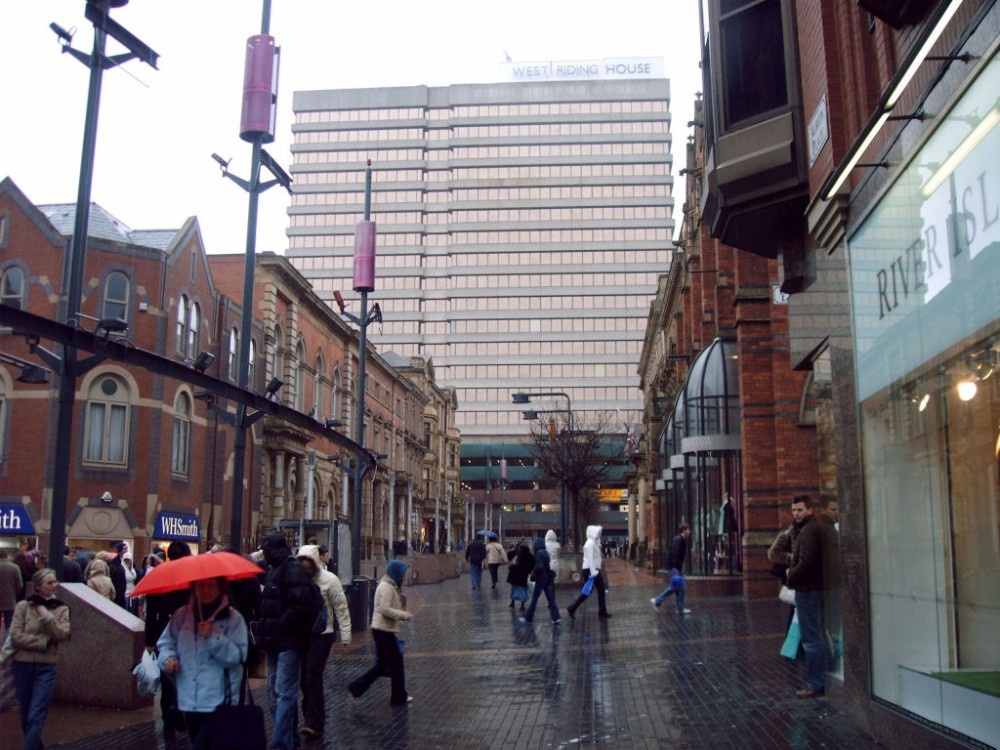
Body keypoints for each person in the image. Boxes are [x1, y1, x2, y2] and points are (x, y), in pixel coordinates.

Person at [156, 577, 248, 745]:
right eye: (201, 585)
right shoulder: (181, 616)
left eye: (211, 585)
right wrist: (168, 659)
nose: (205, 590)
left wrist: (213, 637)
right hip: (190, 699)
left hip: (219, 699)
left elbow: (238, 656)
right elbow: (165, 643)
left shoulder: (234, 619)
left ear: (220, 588)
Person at [256, 531, 323, 750]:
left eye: (265, 549)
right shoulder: (274, 569)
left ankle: (280, 743)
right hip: (275, 642)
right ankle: (289, 738)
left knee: (284, 692)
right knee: (274, 693)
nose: (263, 554)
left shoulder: (291, 569)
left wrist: (281, 624)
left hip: (289, 643)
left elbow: (301, 605)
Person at [9, 568, 71, 750]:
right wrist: (43, 642)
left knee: (36, 715)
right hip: (22, 665)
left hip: (46, 667)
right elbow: (16, 636)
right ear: (38, 586)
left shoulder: (61, 608)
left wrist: (46, 617)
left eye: (55, 582)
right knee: (26, 716)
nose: (54, 585)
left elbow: (61, 634)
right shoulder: (23, 607)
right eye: (49, 582)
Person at [296, 544, 352, 739]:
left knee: (312, 676)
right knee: (304, 680)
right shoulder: (297, 580)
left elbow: (341, 607)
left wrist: (345, 634)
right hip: (303, 634)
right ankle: (310, 718)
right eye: (302, 566)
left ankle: (315, 723)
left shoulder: (329, 580)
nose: (306, 571)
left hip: (324, 634)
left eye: (309, 567)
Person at [785, 494, 838, 699]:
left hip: (809, 590)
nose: (796, 514)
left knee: (811, 638)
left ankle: (816, 683)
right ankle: (824, 677)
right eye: (794, 510)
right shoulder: (824, 528)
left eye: (800, 510)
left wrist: (791, 577)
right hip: (824, 588)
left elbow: (806, 563)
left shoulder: (809, 531)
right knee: (821, 635)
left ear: (810, 510)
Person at [145, 541, 193, 739]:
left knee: (167, 679)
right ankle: (182, 714)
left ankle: (168, 719)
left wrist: (149, 638)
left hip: (163, 631)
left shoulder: (160, 575)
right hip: (188, 633)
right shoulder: (192, 576)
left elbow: (151, 611)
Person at [347, 560, 413, 705]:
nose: (405, 576)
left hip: (386, 629)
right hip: (382, 631)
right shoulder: (386, 588)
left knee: (396, 663)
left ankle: (399, 696)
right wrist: (403, 615)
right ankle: (355, 687)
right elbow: (384, 609)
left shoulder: (391, 586)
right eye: (403, 573)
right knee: (382, 665)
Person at [567, 524, 611, 619]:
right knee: (590, 591)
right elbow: (590, 558)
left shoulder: (592, 543)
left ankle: (601, 611)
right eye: (597, 533)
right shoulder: (590, 544)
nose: (598, 535)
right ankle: (572, 608)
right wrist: (593, 571)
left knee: (594, 590)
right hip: (591, 570)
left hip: (591, 569)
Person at [651, 523, 692, 614]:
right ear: (683, 530)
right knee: (676, 586)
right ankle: (658, 601)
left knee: (680, 587)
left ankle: (679, 608)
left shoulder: (682, 540)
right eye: (688, 530)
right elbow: (674, 554)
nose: (690, 532)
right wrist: (675, 568)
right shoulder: (679, 540)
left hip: (675, 567)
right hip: (674, 568)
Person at [520, 537, 561, 624]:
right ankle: (556, 617)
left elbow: (539, 566)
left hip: (541, 578)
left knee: (534, 598)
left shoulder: (539, 553)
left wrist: (533, 572)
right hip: (548, 578)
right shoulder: (546, 552)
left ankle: (528, 617)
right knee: (551, 599)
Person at [506, 542, 533, 611]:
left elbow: (509, 557)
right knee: (523, 589)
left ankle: (513, 602)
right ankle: (522, 605)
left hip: (515, 574)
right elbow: (532, 565)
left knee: (514, 588)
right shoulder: (529, 555)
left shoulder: (516, 553)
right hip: (523, 575)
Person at [0, 550, 23, 630]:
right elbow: (19, 585)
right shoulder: (14, 567)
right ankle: (6, 641)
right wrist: (15, 594)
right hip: (9, 600)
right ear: (6, 556)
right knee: (9, 625)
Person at [107, 543, 128, 609]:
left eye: (127, 549)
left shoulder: (129, 561)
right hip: (118, 593)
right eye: (125, 549)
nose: (126, 551)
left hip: (127, 592)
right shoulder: (114, 563)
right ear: (120, 551)